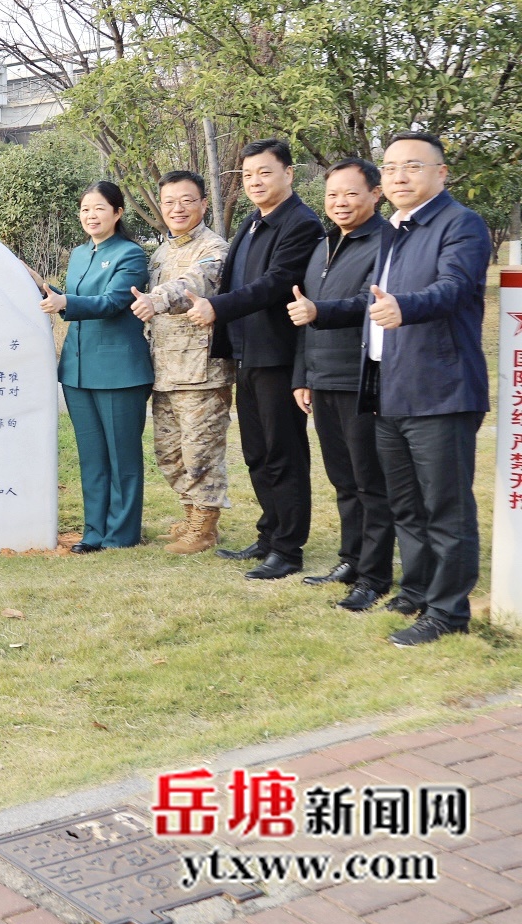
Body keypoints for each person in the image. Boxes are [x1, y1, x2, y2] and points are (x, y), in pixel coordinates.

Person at [302, 132, 490, 646]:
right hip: (386, 387)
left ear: (441, 173)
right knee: (404, 504)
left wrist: (405, 307)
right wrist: (321, 312)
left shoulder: (461, 224)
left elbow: (454, 288)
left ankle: (448, 612)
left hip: (439, 389)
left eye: (412, 166)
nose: (399, 176)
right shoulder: (394, 229)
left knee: (445, 508)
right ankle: (416, 591)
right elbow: (371, 302)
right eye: (390, 168)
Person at [185, 138, 322, 580]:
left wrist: (217, 308)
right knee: (257, 454)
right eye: (247, 175)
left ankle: (288, 549)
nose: (255, 181)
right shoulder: (252, 222)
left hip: (279, 355)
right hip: (248, 353)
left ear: (288, 173)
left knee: (284, 453)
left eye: (265, 172)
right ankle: (269, 535)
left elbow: (276, 284)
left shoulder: (301, 224)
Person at [285, 159, 395, 609]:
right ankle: (351, 559)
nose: (340, 202)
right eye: (333, 194)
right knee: (343, 479)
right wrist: (303, 376)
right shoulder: (324, 244)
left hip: (362, 378)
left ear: (375, 194)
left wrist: (319, 313)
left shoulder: (387, 242)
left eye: (351, 193)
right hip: (323, 378)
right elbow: (303, 314)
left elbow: (367, 303)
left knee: (370, 481)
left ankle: (374, 576)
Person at [37, 181, 152, 553]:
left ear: (118, 213)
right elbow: (74, 299)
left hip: (118, 371)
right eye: (85, 209)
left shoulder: (130, 254)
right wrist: (42, 286)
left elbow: (112, 302)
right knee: (92, 457)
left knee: (122, 457)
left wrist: (66, 302)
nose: (91, 215)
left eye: (99, 208)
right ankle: (94, 532)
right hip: (78, 370)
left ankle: (121, 534)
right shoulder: (78, 254)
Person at [128, 170, 235, 555]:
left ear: (203, 204)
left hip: (201, 373)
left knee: (200, 453)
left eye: (187, 200)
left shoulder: (215, 248)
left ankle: (204, 528)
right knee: (170, 453)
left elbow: (193, 283)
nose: (178, 208)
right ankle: (191, 517)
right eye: (170, 202)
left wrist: (154, 300)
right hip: (165, 372)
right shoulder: (161, 252)